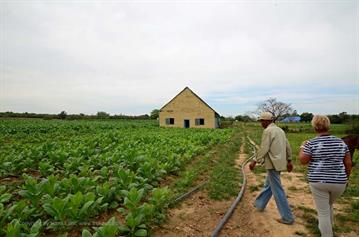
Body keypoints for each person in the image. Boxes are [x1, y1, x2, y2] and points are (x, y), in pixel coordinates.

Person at [299, 115, 352, 237]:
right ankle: (330, 225)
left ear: (314, 127)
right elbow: (348, 163)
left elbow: (303, 160)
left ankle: (326, 233)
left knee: (323, 212)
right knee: (328, 205)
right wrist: (346, 178)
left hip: (319, 183)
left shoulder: (310, 143)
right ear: (329, 126)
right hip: (339, 183)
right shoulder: (341, 143)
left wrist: (302, 146)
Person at [249, 112, 295, 225]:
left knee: (277, 190)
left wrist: (255, 160)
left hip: (272, 164)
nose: (261, 123)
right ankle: (260, 204)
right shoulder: (280, 130)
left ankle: (287, 217)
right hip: (279, 164)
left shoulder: (268, 131)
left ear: (267, 121)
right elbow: (287, 145)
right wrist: (289, 160)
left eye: (262, 121)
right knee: (269, 185)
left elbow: (264, 148)